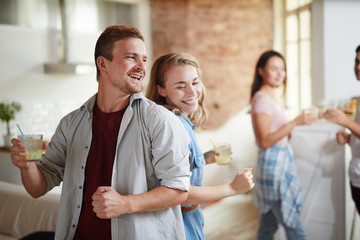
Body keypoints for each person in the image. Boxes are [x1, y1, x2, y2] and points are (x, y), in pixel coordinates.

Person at [10, 25, 192, 240]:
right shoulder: (71, 123)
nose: (141, 67)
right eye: (131, 57)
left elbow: (179, 190)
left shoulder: (160, 120)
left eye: (143, 59)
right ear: (103, 63)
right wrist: (27, 166)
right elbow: (37, 188)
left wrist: (125, 204)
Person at [146, 52, 255, 240]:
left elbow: (173, 172)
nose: (191, 92)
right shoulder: (174, 125)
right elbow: (180, 193)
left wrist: (204, 158)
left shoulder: (178, 120)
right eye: (180, 86)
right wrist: (233, 188)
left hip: (186, 219)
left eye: (195, 82)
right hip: (180, 224)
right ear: (162, 90)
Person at [250, 50, 316, 240]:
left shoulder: (270, 98)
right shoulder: (262, 99)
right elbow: (265, 141)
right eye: (274, 68)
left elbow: (276, 134)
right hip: (274, 168)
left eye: (283, 69)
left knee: (267, 226)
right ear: (261, 71)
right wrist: (295, 122)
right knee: (293, 226)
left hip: (277, 164)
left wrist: (292, 128)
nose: (280, 74)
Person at [324, 45, 360, 214]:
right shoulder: (358, 99)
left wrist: (346, 121)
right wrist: (349, 139)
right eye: (357, 61)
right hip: (356, 177)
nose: (358, 67)